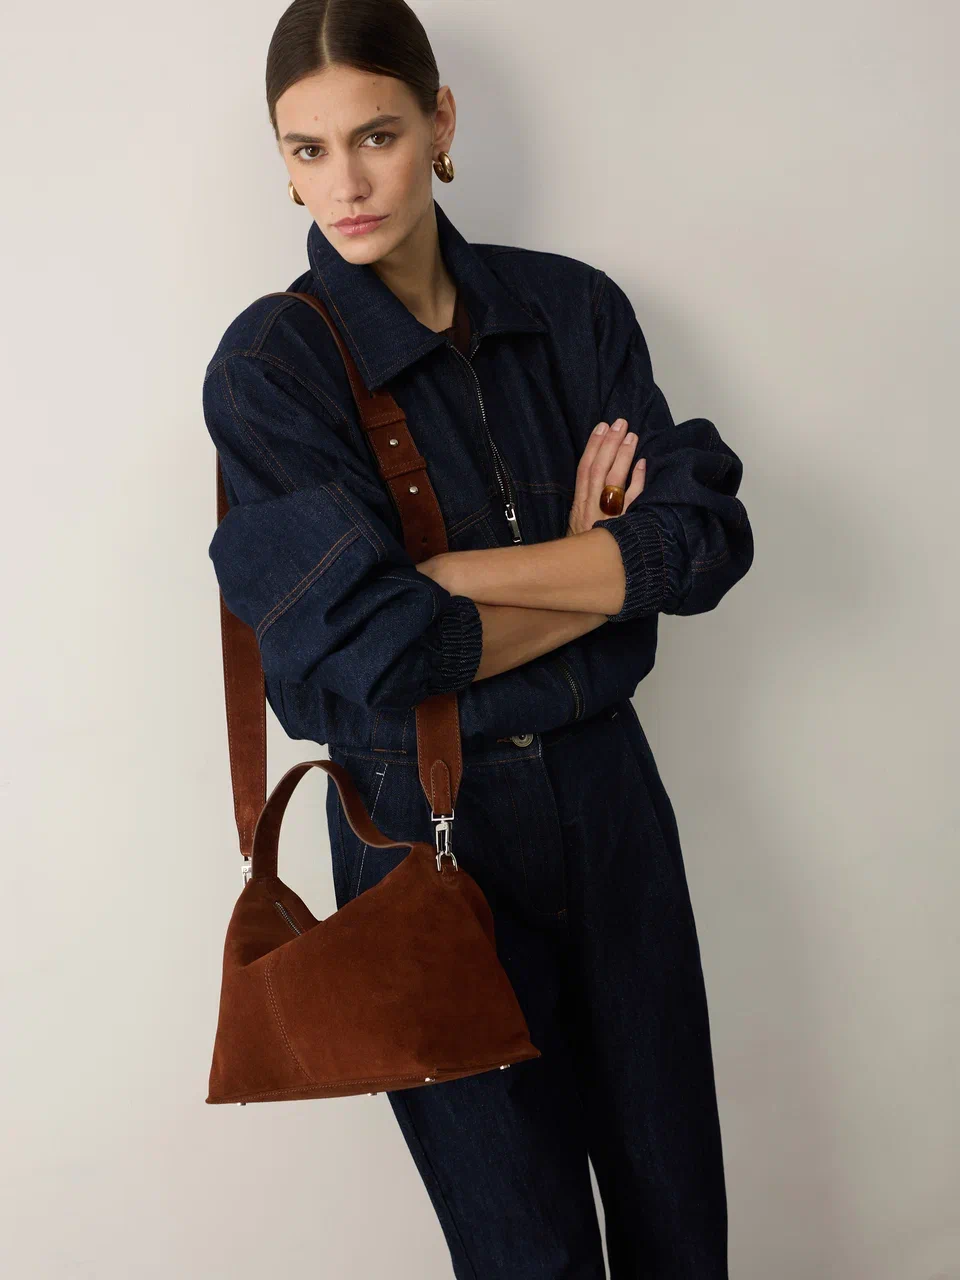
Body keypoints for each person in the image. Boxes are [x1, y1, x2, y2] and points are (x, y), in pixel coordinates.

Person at [202, 1, 754, 1274]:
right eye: (307, 149)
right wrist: (599, 573)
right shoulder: (272, 369)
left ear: (440, 122)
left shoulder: (572, 312)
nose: (345, 184)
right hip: (419, 833)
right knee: (527, 1255)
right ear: (282, 159)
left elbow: (704, 540)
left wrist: (460, 575)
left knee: (682, 1229)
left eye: (377, 135)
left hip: (611, 800)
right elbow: (384, 651)